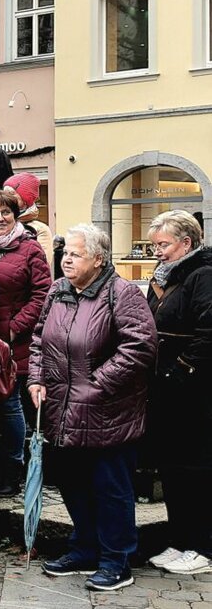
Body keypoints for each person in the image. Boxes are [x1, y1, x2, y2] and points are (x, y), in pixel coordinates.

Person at [29, 224, 157, 592]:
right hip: (62, 409)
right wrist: (36, 378)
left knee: (110, 489)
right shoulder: (58, 290)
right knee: (73, 483)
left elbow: (140, 346)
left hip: (107, 413)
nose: (66, 260)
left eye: (75, 254)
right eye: (65, 253)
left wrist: (98, 383)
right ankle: (85, 548)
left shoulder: (122, 293)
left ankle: (117, 560)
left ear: (98, 260)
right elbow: (39, 339)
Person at [0, 190, 50, 497]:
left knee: (9, 405)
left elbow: (42, 294)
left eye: (6, 212)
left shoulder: (29, 248)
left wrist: (15, 328)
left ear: (15, 216)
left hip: (11, 342)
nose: (0, 218)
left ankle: (11, 470)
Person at [143, 211, 212, 575]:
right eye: (154, 244)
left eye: (163, 244)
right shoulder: (165, 277)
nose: (157, 251)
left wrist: (178, 371)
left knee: (196, 470)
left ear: (186, 243)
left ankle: (203, 547)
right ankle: (181, 540)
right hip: (167, 390)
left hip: (194, 393)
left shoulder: (203, 275)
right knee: (172, 469)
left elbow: (208, 334)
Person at [4, 173, 54, 272]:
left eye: (11, 194)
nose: (5, 198)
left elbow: (42, 266)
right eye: (4, 193)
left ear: (25, 200)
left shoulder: (40, 229)